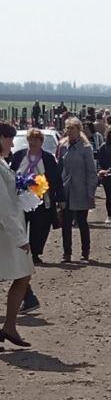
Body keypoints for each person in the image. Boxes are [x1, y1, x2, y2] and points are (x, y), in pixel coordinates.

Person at [0, 122, 34, 347]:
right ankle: (9, 326)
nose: (12, 143)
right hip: (6, 232)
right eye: (9, 138)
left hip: (9, 230)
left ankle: (10, 326)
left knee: (23, 275)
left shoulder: (2, 162)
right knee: (23, 275)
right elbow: (3, 207)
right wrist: (21, 238)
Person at [11, 128, 64, 270]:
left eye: (36, 139)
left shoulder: (48, 158)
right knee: (20, 226)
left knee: (39, 226)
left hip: (41, 198)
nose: (32, 142)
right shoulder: (18, 155)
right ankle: (20, 252)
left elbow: (56, 179)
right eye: (30, 139)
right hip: (21, 197)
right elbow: (11, 174)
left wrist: (60, 197)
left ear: (41, 142)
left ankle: (35, 253)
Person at [57, 118, 97, 263]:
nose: (69, 131)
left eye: (72, 129)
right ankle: (67, 253)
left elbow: (91, 171)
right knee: (66, 223)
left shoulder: (86, 148)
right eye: (67, 129)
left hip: (81, 190)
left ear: (79, 130)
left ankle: (85, 253)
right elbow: (59, 168)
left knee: (82, 222)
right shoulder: (63, 147)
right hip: (66, 190)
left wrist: (91, 191)